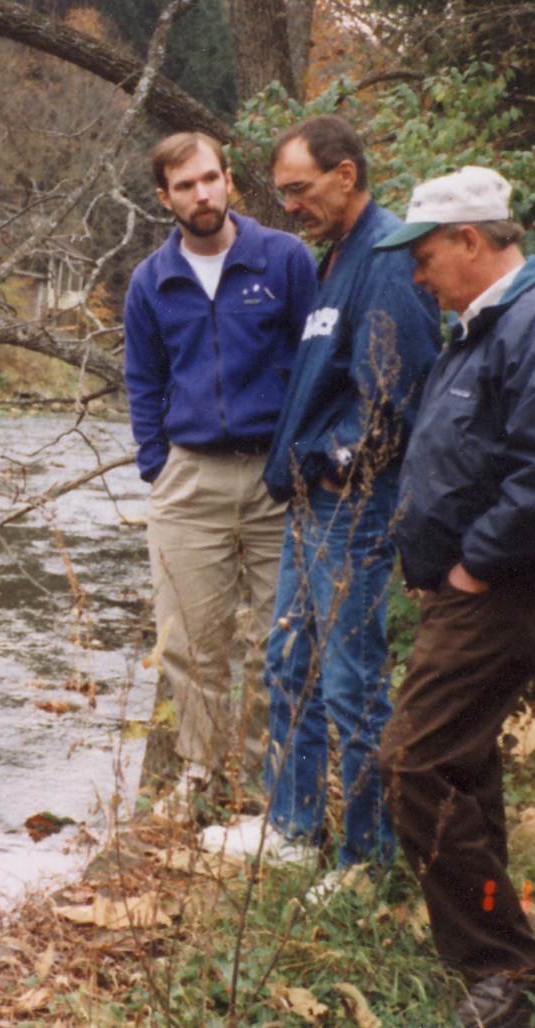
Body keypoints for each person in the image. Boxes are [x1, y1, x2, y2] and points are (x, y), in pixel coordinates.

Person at [372, 165, 535, 1028]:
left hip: (494, 595)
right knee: (462, 764)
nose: (416, 275)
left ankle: (503, 967)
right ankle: (496, 938)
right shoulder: (480, 331)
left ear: (471, 241)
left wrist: (475, 563)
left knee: (411, 763)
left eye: (425, 256)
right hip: (459, 594)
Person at [201, 116, 441, 884]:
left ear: (346, 174)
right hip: (311, 505)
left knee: (350, 683)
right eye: (281, 194)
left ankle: (368, 862)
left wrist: (343, 467)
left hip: (351, 507)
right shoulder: (335, 258)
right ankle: (297, 831)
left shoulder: (389, 256)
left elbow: (400, 390)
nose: (290, 206)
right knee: (288, 663)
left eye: (300, 189)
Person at [123, 132, 319, 813]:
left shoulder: (285, 259)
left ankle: (272, 788)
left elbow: (317, 358)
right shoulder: (152, 280)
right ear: (165, 197)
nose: (201, 194)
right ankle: (200, 776)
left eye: (210, 178)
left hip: (276, 477)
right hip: (190, 479)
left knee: (280, 640)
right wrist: (156, 462)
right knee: (189, 643)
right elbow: (142, 379)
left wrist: (302, 455)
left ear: (229, 179)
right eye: (185, 186)